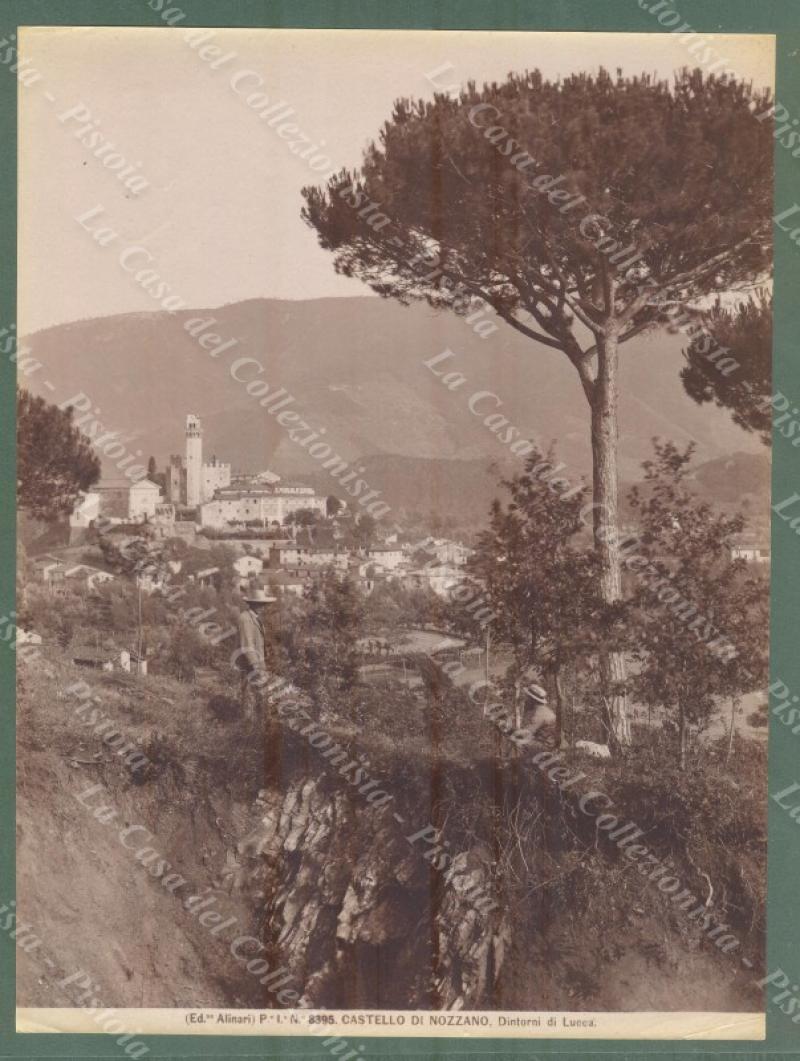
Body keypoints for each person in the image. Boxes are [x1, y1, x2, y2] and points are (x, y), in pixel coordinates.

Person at [237, 588, 277, 721]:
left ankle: (255, 730)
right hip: (251, 667)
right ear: (252, 604)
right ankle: (247, 732)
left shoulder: (255, 618)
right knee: (251, 699)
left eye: (264, 604)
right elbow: (247, 646)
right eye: (260, 604)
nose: (263, 608)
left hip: (257, 665)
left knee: (259, 699)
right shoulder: (246, 618)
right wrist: (257, 668)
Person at [520, 677, 558, 750]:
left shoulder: (537, 714)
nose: (525, 700)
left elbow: (525, 735)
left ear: (532, 700)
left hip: (546, 747)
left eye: (527, 698)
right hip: (550, 744)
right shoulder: (546, 710)